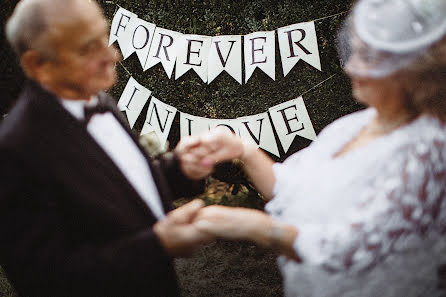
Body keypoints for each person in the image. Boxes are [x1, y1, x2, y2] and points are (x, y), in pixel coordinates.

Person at [190, 0, 446, 296]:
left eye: (370, 59)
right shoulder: (352, 126)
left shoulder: (430, 151)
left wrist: (257, 228)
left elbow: (352, 249)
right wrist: (242, 149)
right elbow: (292, 189)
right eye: (357, 51)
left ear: (414, 75)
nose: (352, 66)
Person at [0, 0, 216, 296]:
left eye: (105, 36)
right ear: (38, 65)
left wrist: (179, 169)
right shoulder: (16, 151)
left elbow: (116, 190)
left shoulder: (98, 100)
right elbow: (44, 279)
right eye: (87, 49)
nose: (112, 54)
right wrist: (157, 245)